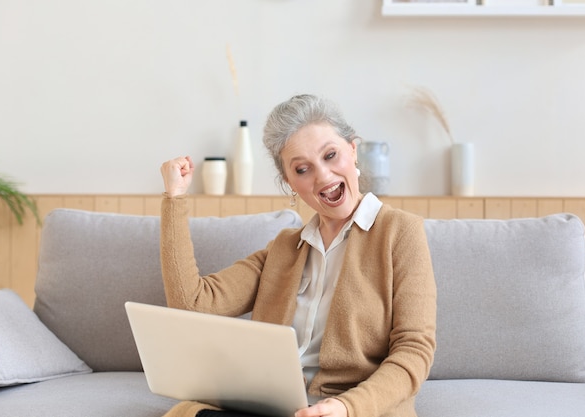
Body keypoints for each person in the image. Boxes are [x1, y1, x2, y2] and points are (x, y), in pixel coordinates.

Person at [159, 94, 437, 417]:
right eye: (302, 169)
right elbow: (191, 303)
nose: (323, 176)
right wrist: (174, 198)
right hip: (272, 407)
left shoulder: (400, 232)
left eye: (331, 155)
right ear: (290, 183)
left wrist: (347, 407)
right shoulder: (283, 250)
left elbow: (414, 351)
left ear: (353, 150)